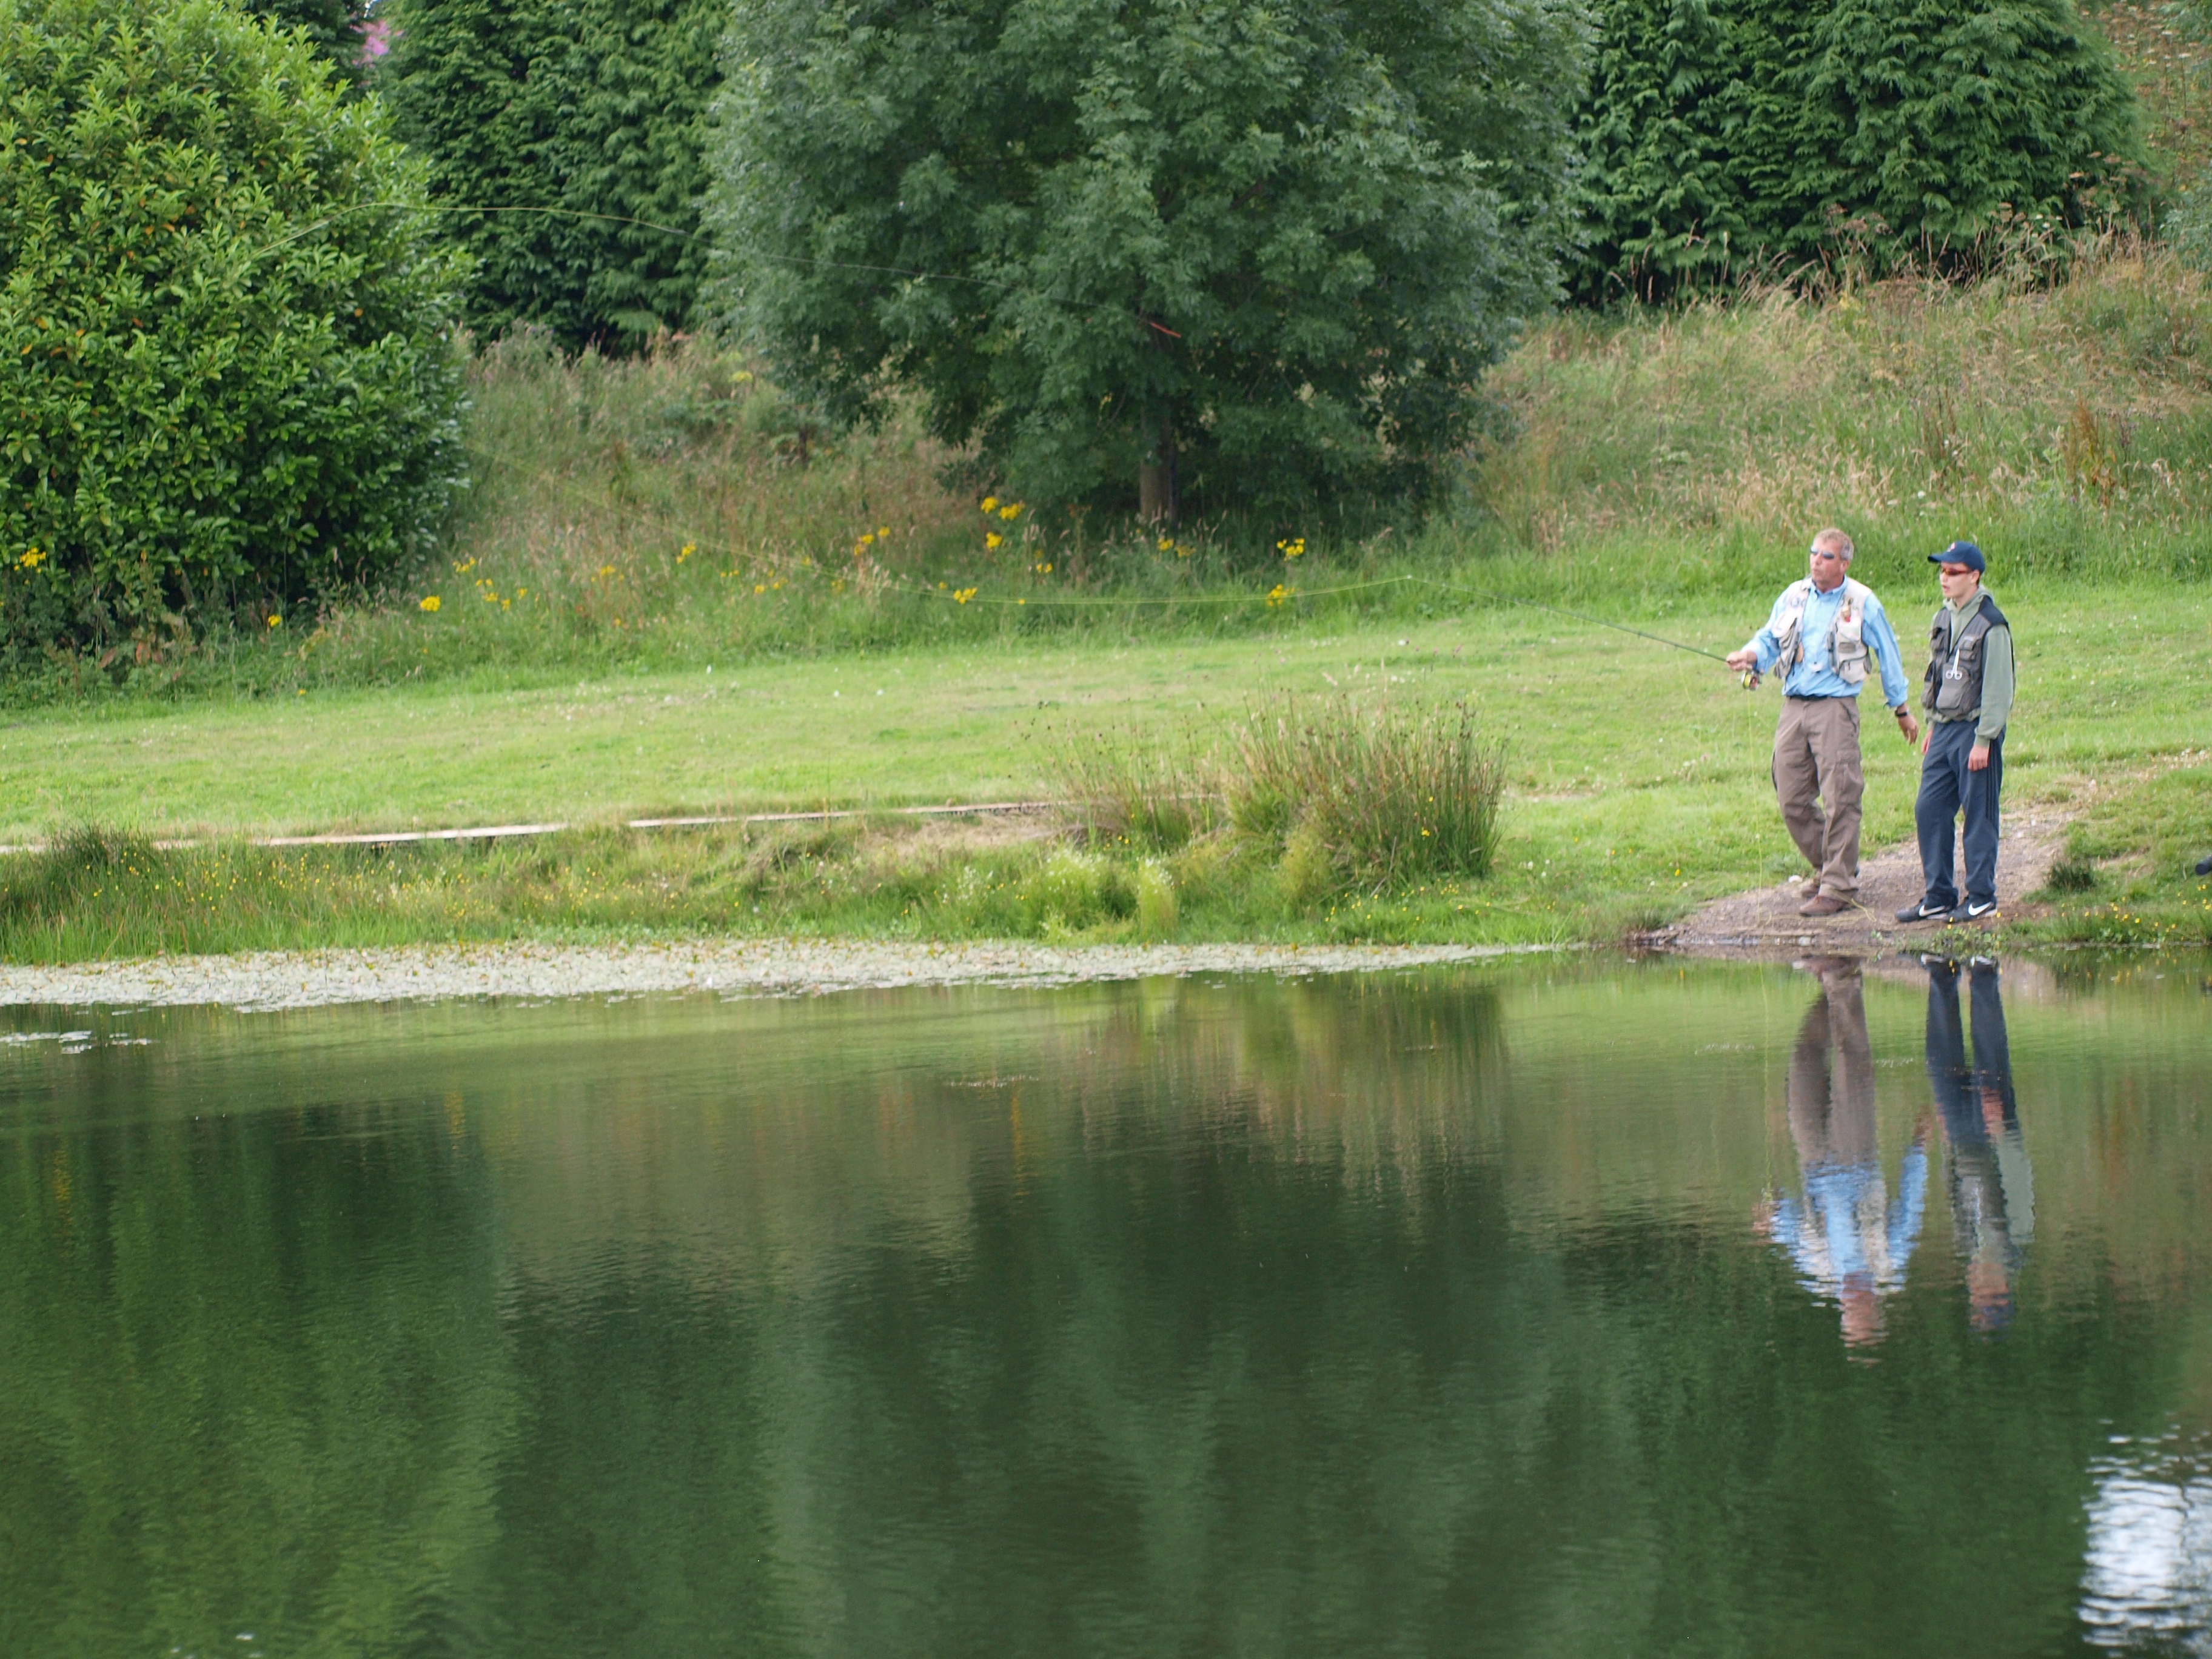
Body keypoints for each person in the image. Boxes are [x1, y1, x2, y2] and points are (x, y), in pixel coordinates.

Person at [1726, 528, 1919, 917]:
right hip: (1793, 707)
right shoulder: (1794, 595)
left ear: (1844, 563)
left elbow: (1889, 654)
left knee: (1841, 796)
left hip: (1835, 707)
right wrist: (1749, 655)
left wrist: (1901, 709)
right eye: (1813, 553)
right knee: (1792, 797)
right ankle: (1829, 868)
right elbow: (1769, 639)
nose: (1816, 560)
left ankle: (1839, 885)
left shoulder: (1863, 602)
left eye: (1826, 556)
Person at [1759, 957, 1930, 1349]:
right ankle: (1842, 977)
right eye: (1859, 1315)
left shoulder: (1819, 1271)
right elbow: (1910, 1205)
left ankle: (1830, 983)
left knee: (1803, 1060)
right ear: (1873, 1307)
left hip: (1814, 1165)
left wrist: (1773, 1218)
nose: (1850, 1308)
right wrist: (1919, 1146)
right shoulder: (1889, 1260)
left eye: (1848, 1316)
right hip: (1857, 1161)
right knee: (1852, 1062)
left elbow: (1791, 1233)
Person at [1895, 541, 2014, 924]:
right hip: (1944, 730)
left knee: (1979, 814)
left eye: (1953, 572)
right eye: (1942, 571)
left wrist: (1985, 739)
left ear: (1974, 577)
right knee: (1929, 809)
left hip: (1975, 731)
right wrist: (1932, 724)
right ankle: (1939, 895)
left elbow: (1999, 688)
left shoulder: (1992, 624)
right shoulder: (1942, 618)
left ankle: (1981, 896)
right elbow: (1940, 674)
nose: (1944, 578)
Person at [1922, 954, 2032, 1334]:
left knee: (1939, 1057)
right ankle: (1983, 974)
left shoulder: (1967, 1247)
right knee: (1989, 1047)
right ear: (2002, 1289)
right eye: (1984, 1295)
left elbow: (1953, 1196)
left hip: (1960, 1139)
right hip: (1991, 1136)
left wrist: (1946, 1147)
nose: (1976, 1287)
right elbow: (2018, 1183)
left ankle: (1941, 975)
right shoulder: (2015, 1241)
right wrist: (2004, 1133)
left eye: (1976, 1296)